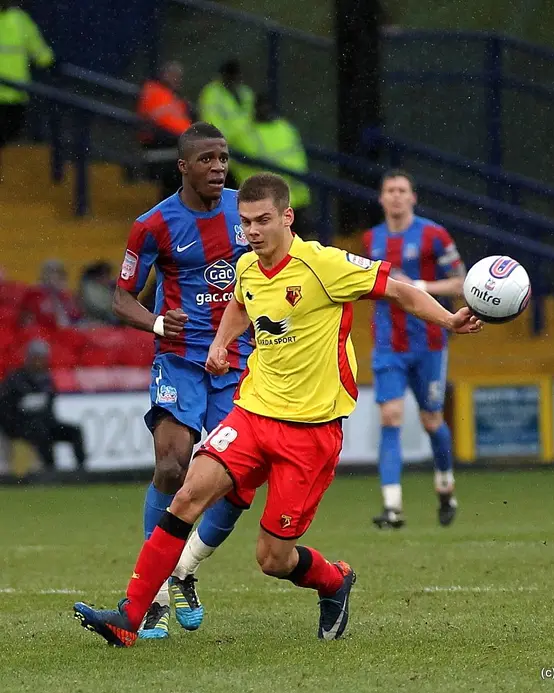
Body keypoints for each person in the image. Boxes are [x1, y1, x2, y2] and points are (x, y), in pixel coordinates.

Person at [72, 172, 482, 648]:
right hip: (253, 412)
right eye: (245, 222)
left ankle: (333, 580)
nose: (253, 231)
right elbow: (242, 305)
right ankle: (131, 617)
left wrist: (450, 319)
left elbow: (399, 288)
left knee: (273, 558)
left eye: (263, 220)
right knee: (187, 496)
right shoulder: (246, 265)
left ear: (287, 217)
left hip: (311, 432)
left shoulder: (323, 265)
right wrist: (222, 344)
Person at [110, 122, 254, 640]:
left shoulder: (248, 211)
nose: (218, 167)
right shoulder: (152, 225)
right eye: (208, 159)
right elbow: (122, 296)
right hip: (178, 360)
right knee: (171, 466)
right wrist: (154, 321)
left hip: (238, 363)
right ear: (183, 167)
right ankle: (146, 598)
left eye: (224, 158)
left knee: (238, 485)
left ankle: (183, 571)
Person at [362, 170, 466, 529]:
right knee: (390, 417)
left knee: (431, 420)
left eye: (401, 190)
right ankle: (392, 506)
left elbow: (462, 281)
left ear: (413, 197)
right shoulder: (371, 239)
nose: (395, 196)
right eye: (388, 190)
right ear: (380, 198)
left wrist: (417, 285)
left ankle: (445, 485)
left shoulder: (433, 234)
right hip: (388, 345)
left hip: (429, 344)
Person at [234, 93, 314, 238]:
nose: (265, 110)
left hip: (296, 199)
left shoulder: (285, 128)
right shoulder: (246, 134)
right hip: (268, 203)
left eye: (267, 106)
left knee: (301, 247)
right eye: (261, 107)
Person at [0, 340, 85, 475]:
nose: (39, 361)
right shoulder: (15, 380)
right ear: (28, 358)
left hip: (45, 424)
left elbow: (49, 408)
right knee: (41, 432)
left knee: (74, 431)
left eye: (42, 358)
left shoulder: (47, 380)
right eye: (36, 357)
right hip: (22, 427)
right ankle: (51, 471)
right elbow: (6, 411)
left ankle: (82, 471)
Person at [0, 0, 54, 181]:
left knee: (11, 133)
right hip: (13, 94)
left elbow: (39, 50)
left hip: (16, 94)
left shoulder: (21, 20)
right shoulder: (21, 20)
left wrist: (49, 61)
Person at [137, 61, 192, 200]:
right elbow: (152, 125)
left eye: (178, 77)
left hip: (178, 144)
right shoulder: (152, 90)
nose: (176, 80)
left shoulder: (176, 97)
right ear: (164, 75)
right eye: (173, 75)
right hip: (160, 144)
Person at [198, 59, 255, 187]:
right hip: (225, 151)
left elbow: (252, 122)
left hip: (247, 150)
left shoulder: (246, 93)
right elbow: (211, 124)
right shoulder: (212, 93)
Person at [19, 259, 83, 329]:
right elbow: (26, 322)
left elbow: (77, 317)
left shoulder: (67, 296)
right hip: (44, 334)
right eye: (51, 274)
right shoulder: (34, 295)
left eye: (60, 276)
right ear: (44, 277)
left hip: (68, 333)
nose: (56, 279)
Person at [78, 261, 119, 325]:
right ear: (99, 276)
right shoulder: (90, 287)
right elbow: (96, 308)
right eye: (106, 275)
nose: (109, 278)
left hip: (104, 318)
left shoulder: (106, 287)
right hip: (93, 320)